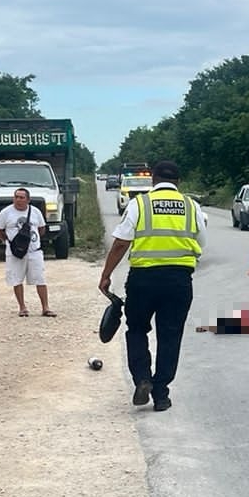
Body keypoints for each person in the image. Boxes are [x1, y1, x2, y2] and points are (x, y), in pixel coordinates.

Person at [98, 159, 206, 412]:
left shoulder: (140, 204)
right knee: (170, 335)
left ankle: (142, 379)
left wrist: (106, 275)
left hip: (143, 279)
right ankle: (161, 394)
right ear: (178, 181)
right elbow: (201, 241)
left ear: (153, 179)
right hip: (179, 280)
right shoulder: (192, 206)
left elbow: (121, 243)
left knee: (136, 329)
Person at [0, 186, 55, 317]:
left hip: (34, 251)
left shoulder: (35, 212)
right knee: (16, 279)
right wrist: (8, 241)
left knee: (40, 278)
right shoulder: (6, 212)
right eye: (16, 197)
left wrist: (32, 240)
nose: (18, 200)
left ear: (28, 200)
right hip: (15, 252)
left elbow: (42, 229)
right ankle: (22, 307)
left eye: (21, 197)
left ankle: (45, 307)